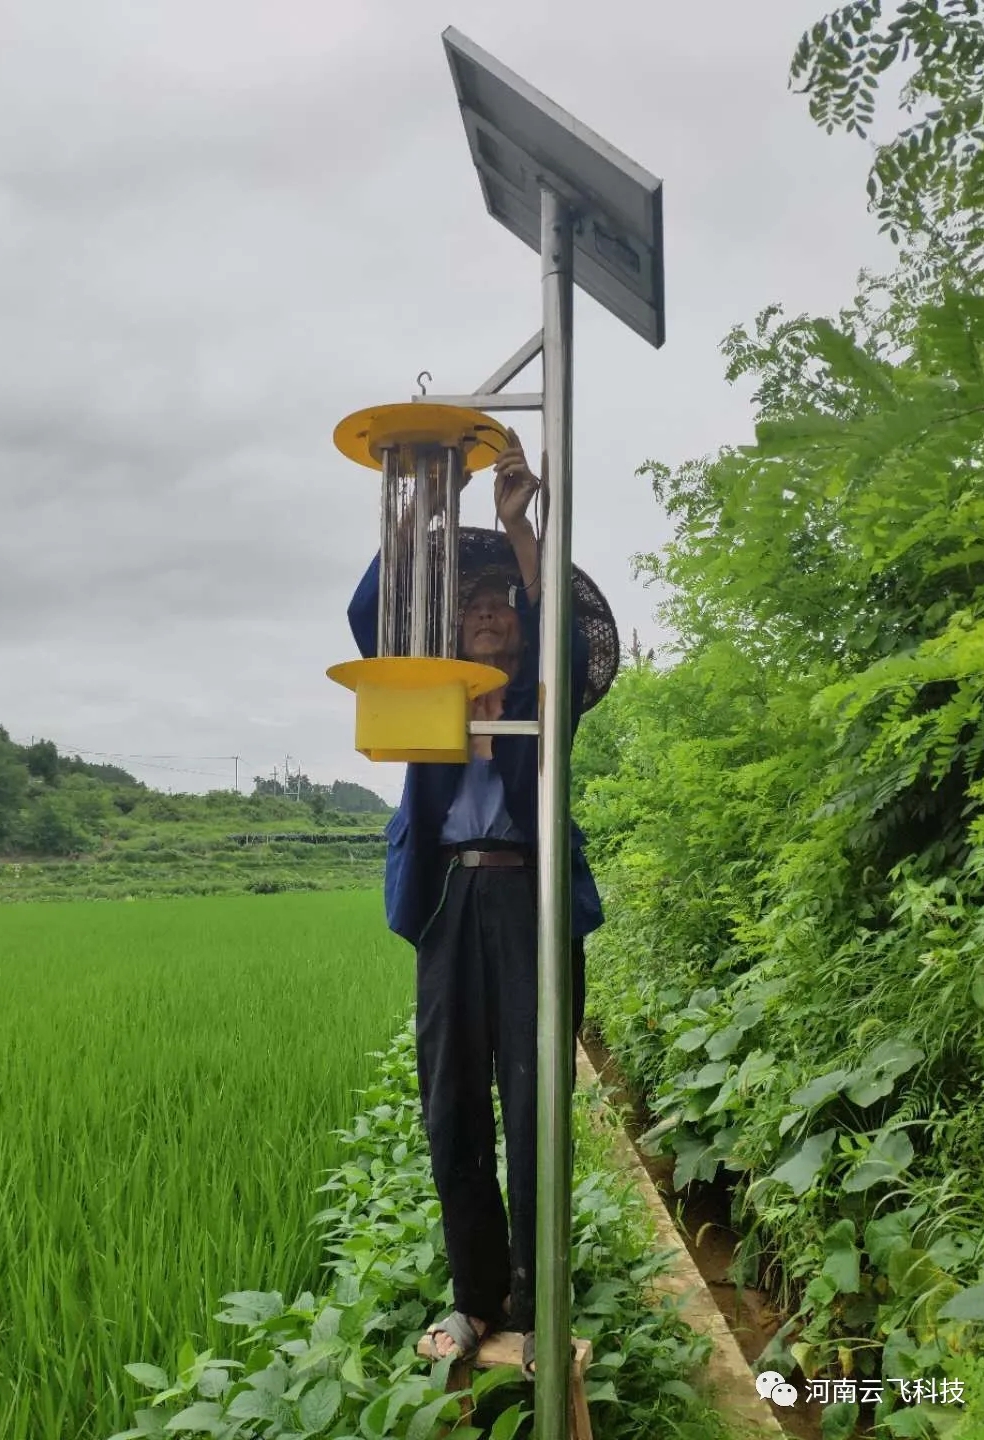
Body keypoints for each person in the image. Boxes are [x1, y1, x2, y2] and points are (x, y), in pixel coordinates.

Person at [346, 430, 610, 1380]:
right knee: (453, 1107)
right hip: (450, 901)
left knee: (536, 1108)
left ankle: (540, 1306)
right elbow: (371, 608)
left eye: (500, 601)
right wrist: (425, 507)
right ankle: (474, 1298)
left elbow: (563, 637)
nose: (488, 612)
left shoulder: (545, 697)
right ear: (450, 631)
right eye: (471, 605)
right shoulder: (428, 695)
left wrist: (516, 527)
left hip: (531, 902)